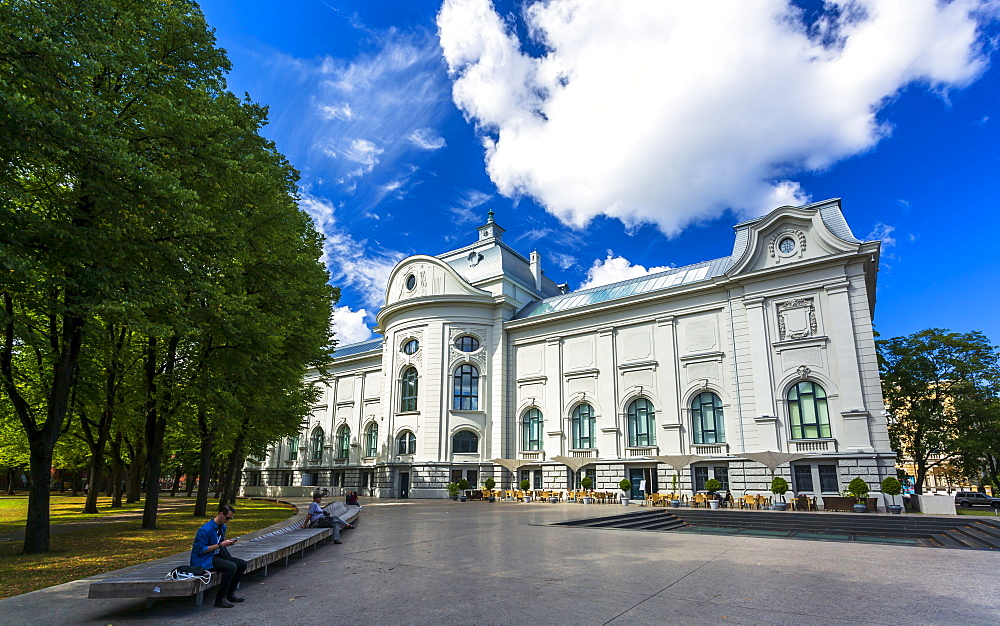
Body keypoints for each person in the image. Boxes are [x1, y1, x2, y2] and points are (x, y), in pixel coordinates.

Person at [191, 503, 247, 608]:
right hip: (204, 559)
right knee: (231, 567)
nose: (228, 521)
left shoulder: (222, 527)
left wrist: (226, 544)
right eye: (227, 518)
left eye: (230, 519)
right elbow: (200, 550)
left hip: (216, 555)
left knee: (241, 564)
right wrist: (220, 545)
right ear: (221, 514)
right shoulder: (205, 529)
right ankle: (220, 599)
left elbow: (220, 545)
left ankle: (230, 594)